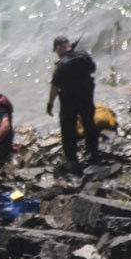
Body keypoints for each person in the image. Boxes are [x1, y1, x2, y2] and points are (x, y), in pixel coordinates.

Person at [46, 35, 99, 173]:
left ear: (58, 48)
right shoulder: (84, 55)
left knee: (68, 128)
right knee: (89, 122)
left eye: (56, 50)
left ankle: (72, 159)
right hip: (86, 96)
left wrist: (50, 104)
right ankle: (93, 153)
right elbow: (93, 70)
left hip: (69, 101)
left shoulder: (60, 65)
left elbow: (55, 87)